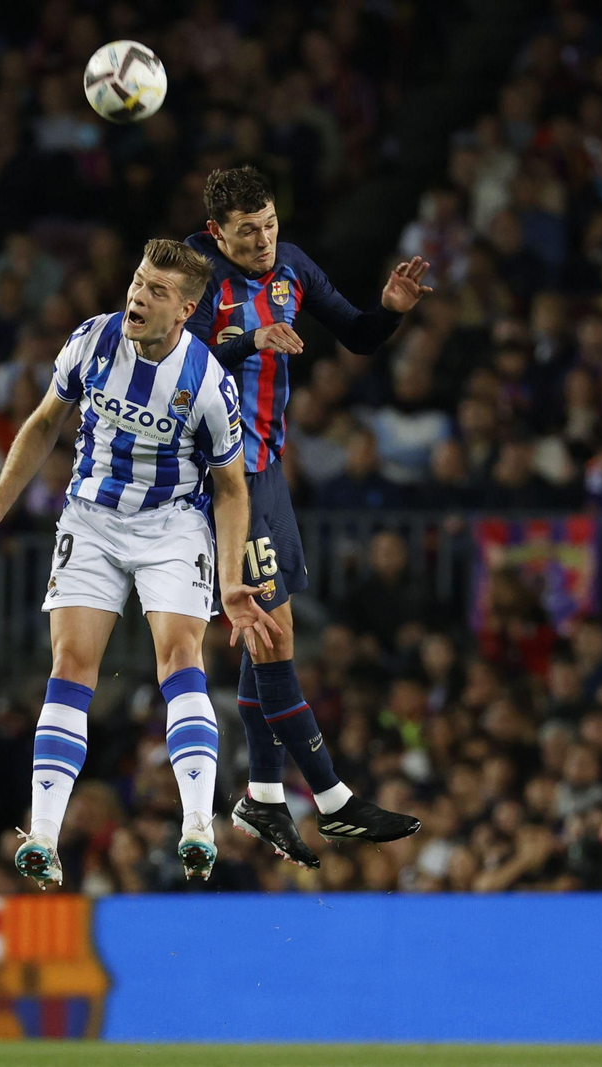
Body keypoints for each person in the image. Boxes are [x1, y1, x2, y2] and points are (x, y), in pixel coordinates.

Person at [0, 239, 281, 887]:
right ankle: (43, 832)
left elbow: (233, 486)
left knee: (180, 658)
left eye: (157, 291)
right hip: (91, 517)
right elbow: (46, 423)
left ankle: (196, 825)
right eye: (137, 281)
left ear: (184, 310)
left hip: (171, 523)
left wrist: (234, 580)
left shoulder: (205, 382)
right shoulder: (92, 342)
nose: (138, 295)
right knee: (70, 665)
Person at [182, 166, 425, 863]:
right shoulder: (194, 272)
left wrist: (392, 309)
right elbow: (177, 360)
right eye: (247, 232)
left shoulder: (290, 266)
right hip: (217, 476)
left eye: (269, 225)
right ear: (214, 232)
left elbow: (357, 335)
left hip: (267, 470)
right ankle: (331, 799)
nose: (263, 241)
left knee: (266, 635)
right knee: (276, 630)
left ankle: (262, 793)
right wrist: (249, 342)